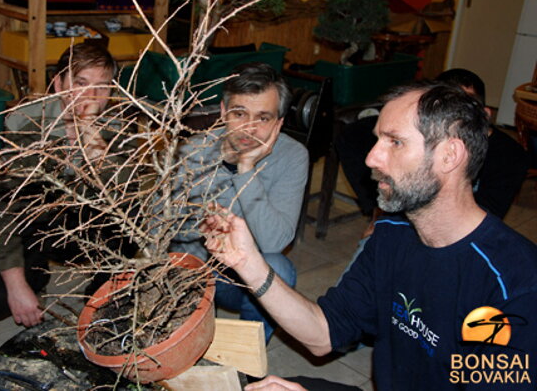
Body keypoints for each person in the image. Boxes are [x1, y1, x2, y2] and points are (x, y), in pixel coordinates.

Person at [203, 81, 537, 390]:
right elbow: (323, 334)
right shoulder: (392, 235)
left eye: (395, 142)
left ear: (450, 155)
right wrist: (249, 263)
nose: (371, 158)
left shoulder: (515, 285)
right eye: (378, 139)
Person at [0, 42, 126, 327]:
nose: (91, 95)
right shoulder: (26, 125)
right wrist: (15, 282)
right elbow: (2, 205)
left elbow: (121, 197)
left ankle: (103, 288)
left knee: (131, 205)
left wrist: (92, 136)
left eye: (102, 86)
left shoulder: (116, 128)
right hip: (35, 225)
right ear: (58, 83)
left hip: (85, 225)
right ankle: (34, 277)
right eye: (81, 83)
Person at [171, 62, 309, 342]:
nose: (249, 128)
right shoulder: (193, 151)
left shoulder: (292, 156)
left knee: (280, 269)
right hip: (196, 263)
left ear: (279, 123)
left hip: (244, 272)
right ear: (223, 113)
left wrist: (246, 169)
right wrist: (202, 227)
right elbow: (163, 228)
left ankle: (248, 364)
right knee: (183, 260)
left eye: (263, 118)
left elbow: (274, 242)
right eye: (239, 114)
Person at [336, 69, 529, 232]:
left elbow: (485, 219)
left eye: (465, 108)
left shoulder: (510, 156)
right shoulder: (415, 132)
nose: (454, 118)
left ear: (485, 115)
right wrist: (379, 208)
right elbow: (352, 136)